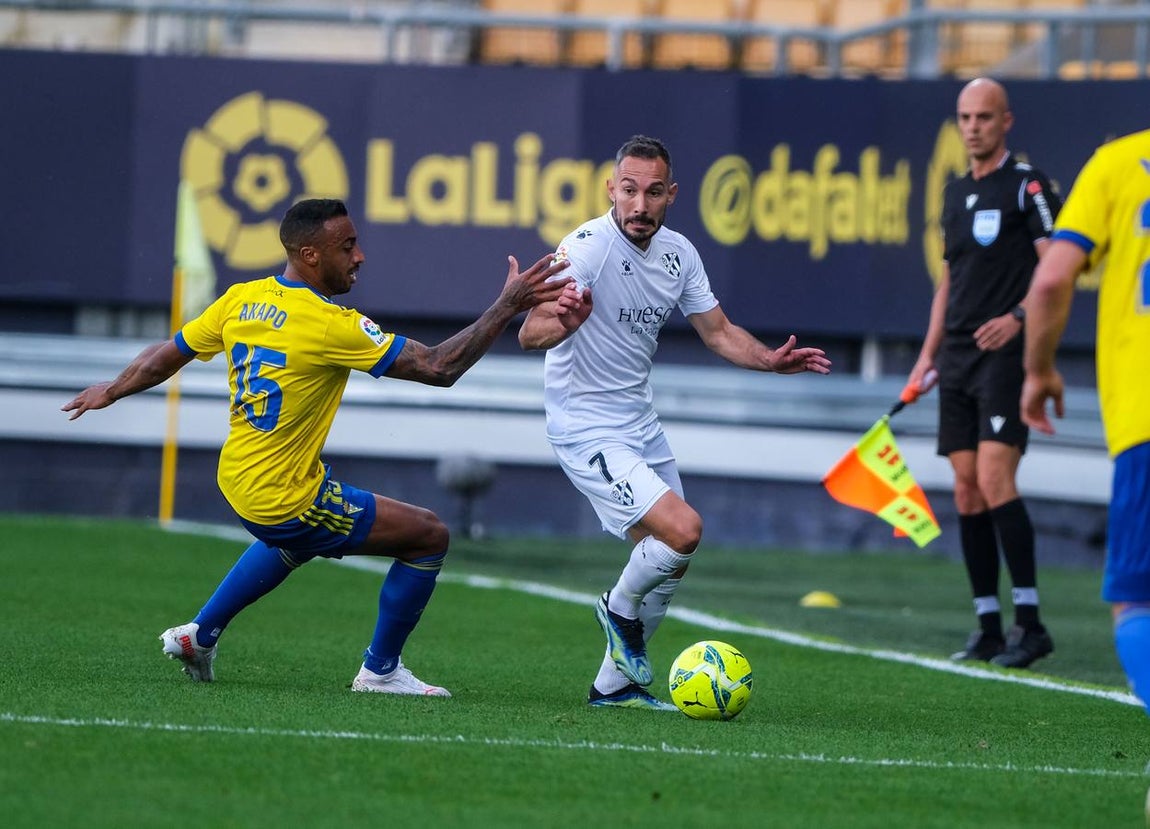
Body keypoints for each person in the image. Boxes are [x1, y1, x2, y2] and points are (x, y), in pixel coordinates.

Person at [63, 198, 570, 696]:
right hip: (285, 496)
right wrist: (506, 306)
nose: (360, 256)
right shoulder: (330, 323)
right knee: (428, 536)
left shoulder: (242, 298)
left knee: (296, 541)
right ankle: (381, 672)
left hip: (238, 477)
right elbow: (440, 367)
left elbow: (165, 356)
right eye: (347, 246)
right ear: (310, 255)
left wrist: (110, 389)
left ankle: (200, 635)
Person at [518, 135, 831, 711]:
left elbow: (717, 330)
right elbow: (530, 331)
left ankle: (615, 688)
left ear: (671, 195)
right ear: (611, 189)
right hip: (585, 426)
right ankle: (616, 609)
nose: (639, 204)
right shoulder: (587, 247)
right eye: (629, 190)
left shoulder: (679, 254)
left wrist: (768, 359)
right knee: (682, 531)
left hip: (640, 424)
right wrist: (563, 321)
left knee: (668, 565)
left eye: (653, 192)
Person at [907, 77, 1062, 669]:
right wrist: (927, 357)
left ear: (1006, 122)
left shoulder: (1028, 186)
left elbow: (1054, 270)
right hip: (956, 357)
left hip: (1003, 356)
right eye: (965, 117)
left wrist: (1019, 318)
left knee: (997, 478)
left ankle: (1031, 623)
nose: (973, 126)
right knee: (967, 487)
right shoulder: (952, 193)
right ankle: (989, 626)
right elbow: (950, 281)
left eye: (984, 117)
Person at [1020, 128, 1150, 718]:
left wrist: (1039, 371)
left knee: (1138, 601)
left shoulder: (1120, 163)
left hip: (1144, 421)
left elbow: (1051, 278)